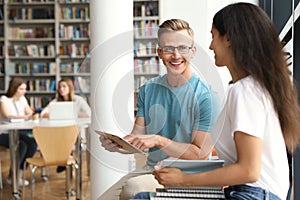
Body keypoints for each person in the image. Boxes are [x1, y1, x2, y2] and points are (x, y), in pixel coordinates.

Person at [133, 2, 300, 200]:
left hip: (252, 195)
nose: (211, 45)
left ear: (228, 39)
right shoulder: (252, 87)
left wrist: (182, 179)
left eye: (213, 36)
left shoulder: (245, 90)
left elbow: (249, 171)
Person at [99, 19, 220, 199]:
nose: (176, 55)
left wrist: (159, 141)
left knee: (133, 189)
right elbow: (137, 139)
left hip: (189, 175)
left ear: (192, 51)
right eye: (168, 49)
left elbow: (200, 154)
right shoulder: (148, 90)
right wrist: (117, 145)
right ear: (160, 53)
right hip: (152, 170)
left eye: (182, 48)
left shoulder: (207, 97)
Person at [41, 78, 91, 173]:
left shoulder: (78, 100)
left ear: (70, 88)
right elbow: (43, 113)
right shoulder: (56, 101)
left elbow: (89, 114)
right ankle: (64, 159)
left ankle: (64, 159)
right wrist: (53, 114)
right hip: (58, 132)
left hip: (74, 133)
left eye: (64, 86)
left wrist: (74, 114)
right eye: (59, 87)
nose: (61, 89)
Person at [0, 77, 37, 186]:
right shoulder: (4, 99)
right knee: (22, 146)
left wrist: (28, 114)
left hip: (18, 132)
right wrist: (24, 117)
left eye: (25, 89)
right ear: (14, 88)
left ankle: (18, 175)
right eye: (21, 89)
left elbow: (30, 113)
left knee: (32, 144)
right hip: (4, 133)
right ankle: (12, 176)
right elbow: (7, 115)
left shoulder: (23, 100)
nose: (24, 91)